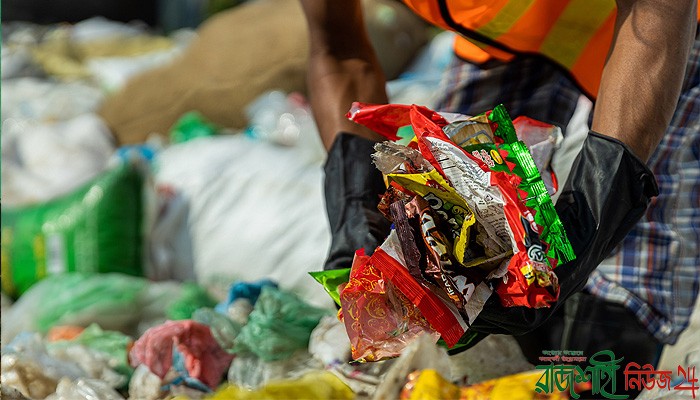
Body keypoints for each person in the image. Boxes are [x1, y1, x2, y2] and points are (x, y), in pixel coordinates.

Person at [300, 0, 698, 397]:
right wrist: (355, 204)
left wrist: (596, 209)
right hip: (504, 33)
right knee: (451, 248)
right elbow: (338, 48)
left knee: (614, 304)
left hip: (661, 30)